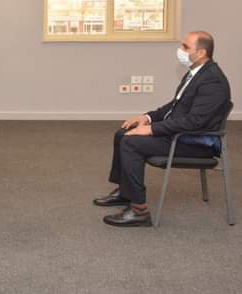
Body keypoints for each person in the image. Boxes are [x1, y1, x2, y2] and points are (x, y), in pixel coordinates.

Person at [94, 31, 231, 227]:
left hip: (194, 143)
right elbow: (175, 106)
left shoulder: (212, 81)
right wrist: (147, 117)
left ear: (201, 52)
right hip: (179, 134)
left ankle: (139, 211)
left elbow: (195, 122)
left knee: (131, 142)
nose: (180, 50)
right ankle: (126, 192)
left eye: (185, 47)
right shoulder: (195, 73)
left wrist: (151, 129)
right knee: (122, 133)